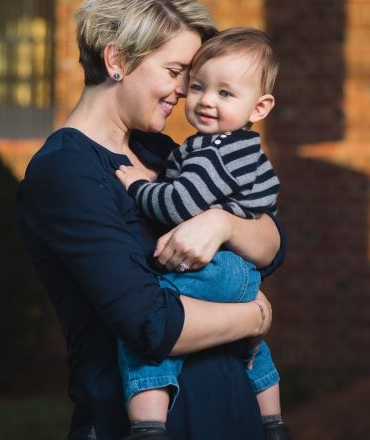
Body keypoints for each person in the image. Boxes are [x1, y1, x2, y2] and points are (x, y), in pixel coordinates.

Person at [16, 0, 285, 440]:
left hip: (230, 414)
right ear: (117, 59)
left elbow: (273, 245)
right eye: (176, 71)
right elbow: (149, 324)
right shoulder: (65, 172)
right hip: (139, 427)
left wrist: (223, 224)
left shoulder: (159, 152)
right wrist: (256, 315)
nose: (186, 91)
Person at [115, 27, 291, 440]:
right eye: (197, 87)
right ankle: (273, 422)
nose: (206, 100)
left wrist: (139, 185)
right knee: (248, 342)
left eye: (225, 93)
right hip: (242, 270)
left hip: (219, 266)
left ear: (260, 107)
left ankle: (148, 424)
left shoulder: (219, 151)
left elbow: (178, 204)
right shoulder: (234, 148)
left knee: (151, 323)